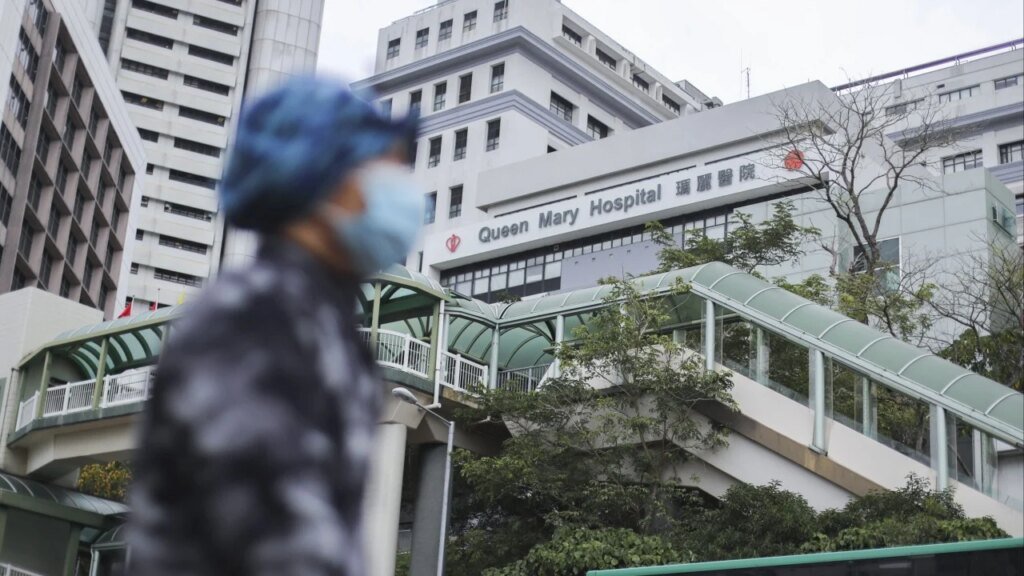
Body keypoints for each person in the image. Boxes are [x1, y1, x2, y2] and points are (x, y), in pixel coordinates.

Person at [127, 77, 422, 575]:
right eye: (385, 169)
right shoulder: (253, 319)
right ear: (323, 176)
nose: (404, 191)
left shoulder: (317, 320)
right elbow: (273, 540)